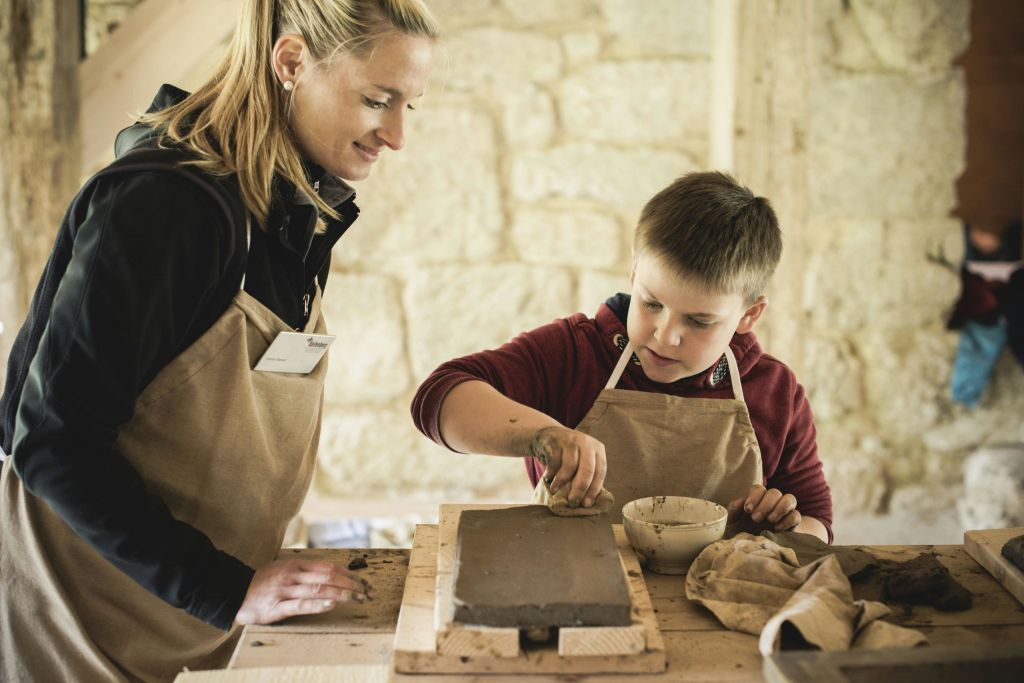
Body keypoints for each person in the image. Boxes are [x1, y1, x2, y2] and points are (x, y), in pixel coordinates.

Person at [0, 1, 438, 680]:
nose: (397, 135)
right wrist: (225, 588)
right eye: (378, 100)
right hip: (74, 621)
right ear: (291, 62)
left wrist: (233, 589)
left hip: (185, 623)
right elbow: (53, 442)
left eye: (410, 105)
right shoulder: (164, 206)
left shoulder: (291, 210)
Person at [412, 171, 833, 543]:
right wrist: (542, 435)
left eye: (699, 322)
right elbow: (437, 399)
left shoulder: (776, 392)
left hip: (716, 601)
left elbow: (818, 523)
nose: (665, 336)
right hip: (577, 591)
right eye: (651, 303)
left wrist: (782, 529)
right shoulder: (573, 354)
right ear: (634, 275)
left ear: (749, 315)